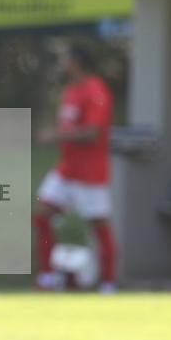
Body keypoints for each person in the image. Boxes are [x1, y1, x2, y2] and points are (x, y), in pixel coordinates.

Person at [34, 44, 117, 293]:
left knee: (99, 225)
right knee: (41, 216)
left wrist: (56, 135)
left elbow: (92, 133)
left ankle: (108, 283)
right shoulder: (70, 90)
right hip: (66, 169)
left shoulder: (95, 90)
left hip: (90, 173)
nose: (62, 64)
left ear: (77, 62)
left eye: (65, 59)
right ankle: (48, 277)